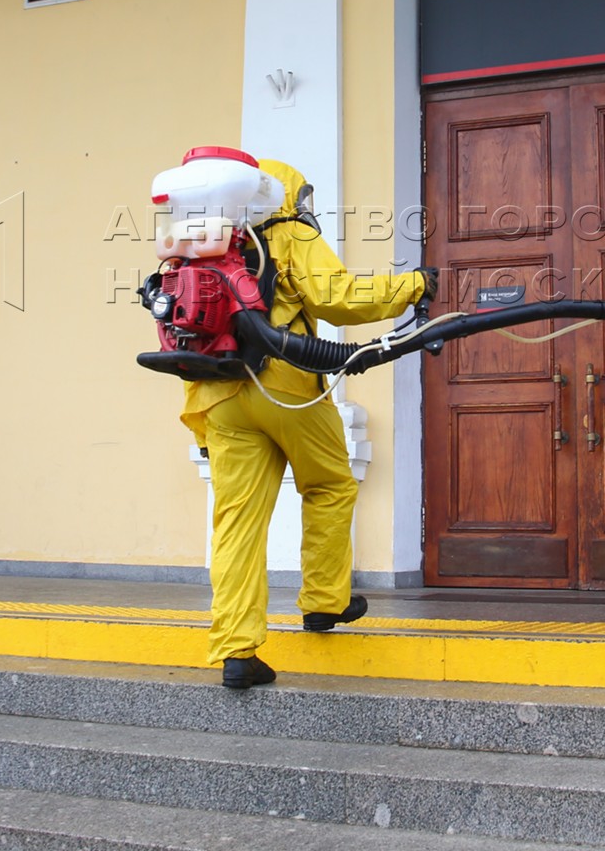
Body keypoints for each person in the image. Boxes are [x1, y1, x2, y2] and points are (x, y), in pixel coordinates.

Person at [177, 158, 432, 689]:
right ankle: (324, 601)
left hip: (218, 391)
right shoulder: (287, 233)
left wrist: (203, 424)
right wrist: (413, 285)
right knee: (331, 484)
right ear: (282, 193)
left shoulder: (202, 244)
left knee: (237, 525)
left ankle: (237, 651)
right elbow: (336, 299)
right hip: (285, 382)